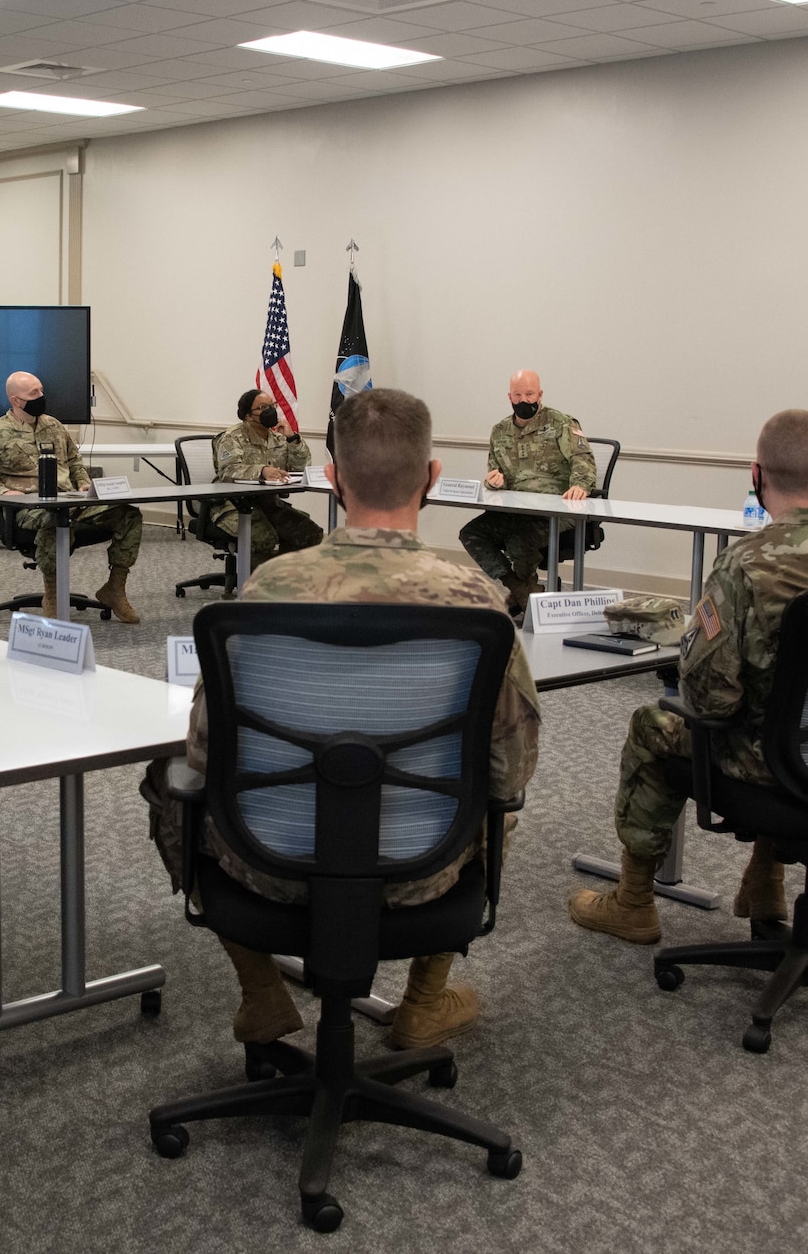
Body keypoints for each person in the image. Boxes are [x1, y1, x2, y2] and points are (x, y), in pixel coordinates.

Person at [143, 387, 541, 1051]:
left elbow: (205, 749)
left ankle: (263, 993)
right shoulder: (478, 604)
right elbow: (511, 768)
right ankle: (422, 1000)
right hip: (424, 869)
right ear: (433, 479)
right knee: (506, 803)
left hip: (266, 863)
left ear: (331, 478)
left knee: (168, 781)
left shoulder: (265, 589)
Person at [570, 409, 808, 946]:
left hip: (775, 771)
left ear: (756, 476)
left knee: (654, 723)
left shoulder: (746, 564)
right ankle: (767, 880)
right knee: (783, 711)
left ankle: (633, 901)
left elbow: (710, 699)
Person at [0, 370, 143, 623]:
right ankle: (54, 596)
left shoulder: (54, 426)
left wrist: (82, 483)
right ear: (15, 400)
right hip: (28, 508)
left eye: (41, 390)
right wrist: (3, 491)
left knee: (128, 514)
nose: (41, 396)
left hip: (69, 500)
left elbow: (73, 460)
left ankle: (114, 588)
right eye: (33, 393)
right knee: (53, 522)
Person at [458, 369, 597, 615]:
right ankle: (522, 589)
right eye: (518, 395)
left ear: (540, 394)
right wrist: (493, 482)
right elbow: (494, 473)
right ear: (509, 397)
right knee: (471, 533)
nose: (524, 400)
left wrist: (580, 486)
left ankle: (524, 593)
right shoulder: (500, 431)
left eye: (530, 394)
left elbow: (583, 461)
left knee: (518, 541)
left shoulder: (562, 423)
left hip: (555, 511)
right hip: (515, 509)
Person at [211, 387, 322, 567]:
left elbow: (301, 469)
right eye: (263, 408)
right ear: (248, 415)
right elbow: (227, 471)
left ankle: (285, 580)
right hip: (234, 506)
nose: (270, 411)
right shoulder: (232, 437)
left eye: (272, 406)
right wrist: (261, 471)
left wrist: (292, 438)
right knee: (264, 538)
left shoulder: (278, 438)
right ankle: (254, 587)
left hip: (269, 504)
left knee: (309, 533)